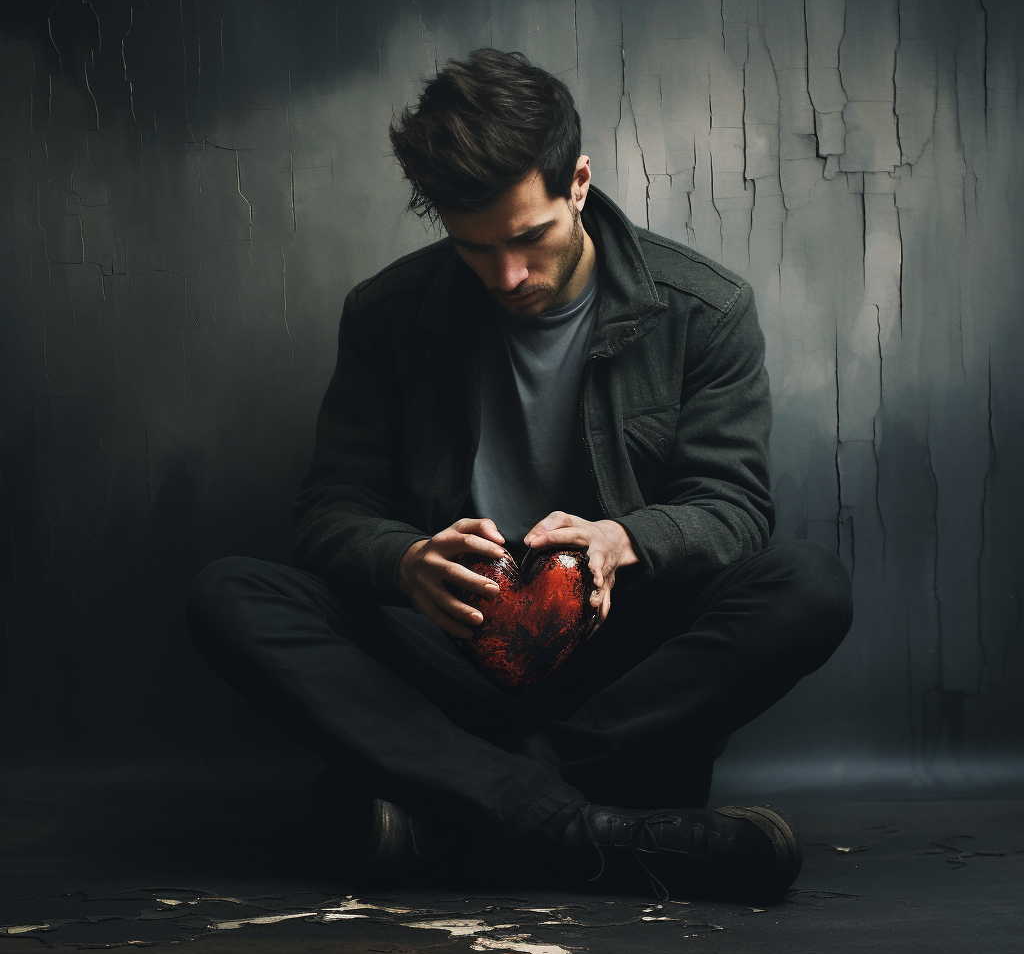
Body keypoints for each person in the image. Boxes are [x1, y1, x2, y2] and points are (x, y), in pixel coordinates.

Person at [186, 49, 853, 901]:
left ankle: (469, 808)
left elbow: (733, 510)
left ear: (577, 183)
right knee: (229, 592)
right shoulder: (387, 315)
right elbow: (330, 510)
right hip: (452, 661)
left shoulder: (704, 310)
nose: (507, 276)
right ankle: (590, 828)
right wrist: (403, 559)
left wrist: (624, 541)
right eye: (472, 248)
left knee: (811, 583)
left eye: (528, 238)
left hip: (622, 676)